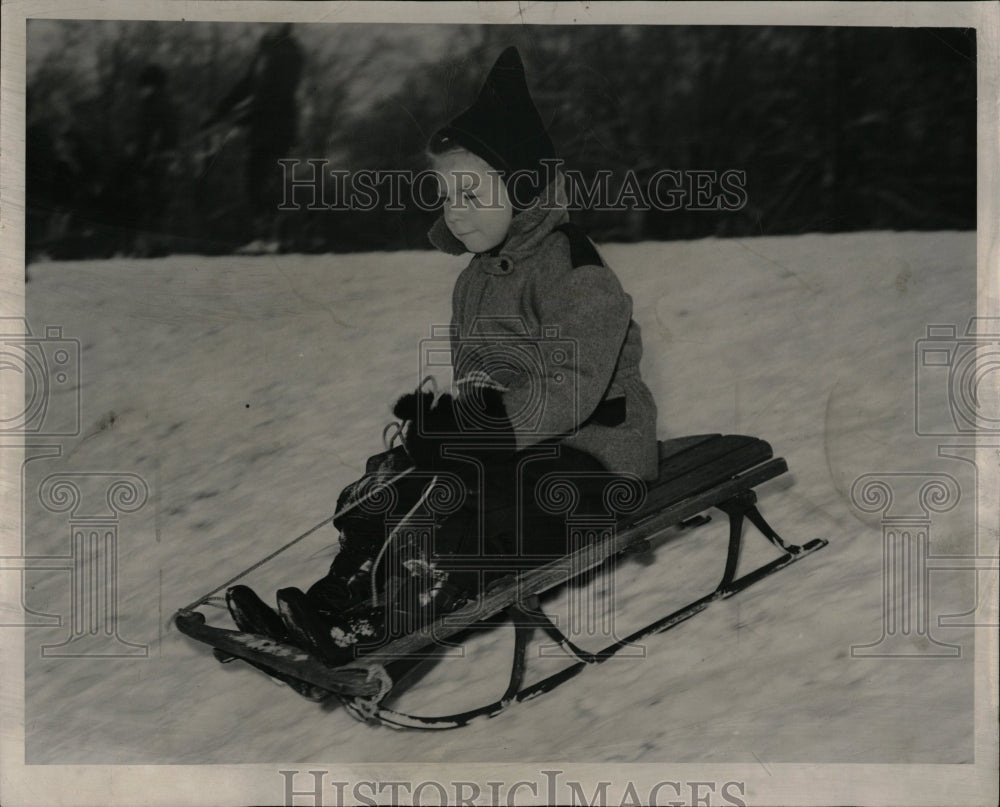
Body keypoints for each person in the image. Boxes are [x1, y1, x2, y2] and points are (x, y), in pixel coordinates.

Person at [225, 47, 659, 683]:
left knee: (466, 511)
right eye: (445, 192)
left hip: (595, 460)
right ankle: (331, 604)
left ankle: (388, 625)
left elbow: (570, 390)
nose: (453, 209)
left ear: (526, 185)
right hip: (521, 448)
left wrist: (475, 435)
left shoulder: (578, 274)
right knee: (389, 484)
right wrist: (444, 422)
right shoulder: (477, 278)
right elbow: (487, 380)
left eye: (471, 191)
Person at [202, 23, 304, 253]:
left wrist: (244, 118)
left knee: (270, 178)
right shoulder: (264, 51)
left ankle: (277, 237)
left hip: (279, 126)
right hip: (260, 125)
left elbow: (278, 92)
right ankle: (262, 235)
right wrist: (220, 112)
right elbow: (248, 84)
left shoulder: (290, 53)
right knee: (253, 177)